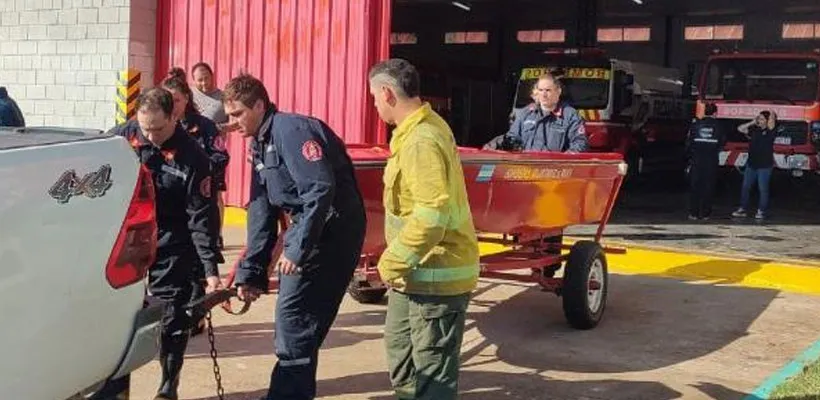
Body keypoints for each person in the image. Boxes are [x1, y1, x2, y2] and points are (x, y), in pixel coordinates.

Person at [225, 73, 367, 400]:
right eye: (228, 116)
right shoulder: (260, 144)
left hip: (332, 233)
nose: (232, 123)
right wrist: (252, 274)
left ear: (259, 105)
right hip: (310, 229)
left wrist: (297, 249)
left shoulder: (291, 131)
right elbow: (261, 210)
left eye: (237, 114)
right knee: (295, 324)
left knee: (294, 319)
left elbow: (320, 189)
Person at [368, 58, 480, 400]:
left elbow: (432, 216)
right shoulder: (419, 129)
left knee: (432, 376)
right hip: (413, 275)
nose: (374, 104)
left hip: (435, 279)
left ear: (387, 93)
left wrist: (390, 263)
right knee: (403, 359)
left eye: (374, 96)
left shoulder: (421, 140)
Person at [108, 87, 223, 400]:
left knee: (174, 318)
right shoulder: (119, 140)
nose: (150, 135)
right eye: (144, 128)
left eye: (157, 128)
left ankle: (168, 385)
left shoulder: (193, 158)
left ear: (174, 117)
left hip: (172, 243)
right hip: (125, 242)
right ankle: (114, 386)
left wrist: (209, 269)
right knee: (119, 316)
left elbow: (201, 217)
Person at [163, 67, 230, 251]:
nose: (173, 105)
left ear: (186, 98)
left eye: (176, 100)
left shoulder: (205, 125)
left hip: (200, 197)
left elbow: (221, 156)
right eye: (168, 101)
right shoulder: (158, 127)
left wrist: (200, 171)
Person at [190, 62, 232, 247]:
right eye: (199, 80)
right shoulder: (189, 97)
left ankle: (217, 234)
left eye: (206, 78)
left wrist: (218, 128)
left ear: (212, 76)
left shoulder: (223, 97)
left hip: (213, 153)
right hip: (191, 152)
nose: (204, 83)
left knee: (215, 195)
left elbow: (236, 122)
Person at [499, 73, 588, 153]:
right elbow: (512, 138)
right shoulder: (525, 113)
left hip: (555, 168)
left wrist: (563, 161)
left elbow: (580, 143)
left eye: (548, 90)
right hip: (526, 168)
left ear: (558, 92)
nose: (544, 94)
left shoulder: (570, 115)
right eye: (541, 90)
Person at [732, 110, 777, 220]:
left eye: (762, 119)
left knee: (763, 189)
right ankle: (742, 208)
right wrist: (752, 122)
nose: (760, 121)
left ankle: (761, 211)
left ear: (767, 121)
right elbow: (740, 129)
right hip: (751, 164)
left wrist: (771, 113)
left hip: (765, 165)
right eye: (759, 118)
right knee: (745, 187)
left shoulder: (771, 131)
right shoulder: (754, 130)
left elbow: (772, 120)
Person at [687, 102, 726, 220]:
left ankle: (693, 213)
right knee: (708, 187)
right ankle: (705, 213)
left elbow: (689, 142)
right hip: (711, 160)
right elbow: (722, 142)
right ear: (715, 113)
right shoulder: (719, 126)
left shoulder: (695, 125)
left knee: (695, 186)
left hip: (697, 159)